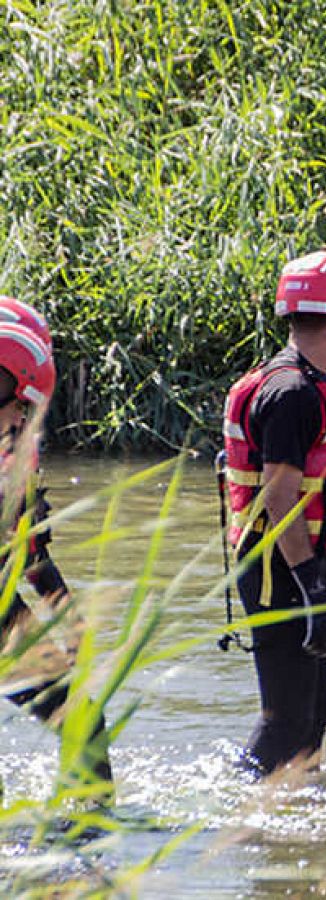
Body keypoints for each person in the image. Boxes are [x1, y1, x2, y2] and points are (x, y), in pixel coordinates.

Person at [219, 254, 326, 775]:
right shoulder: (293, 393)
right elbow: (279, 496)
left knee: (314, 715)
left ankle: (297, 809)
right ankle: (239, 807)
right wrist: (313, 588)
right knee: (285, 717)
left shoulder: (310, 382)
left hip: (303, 564)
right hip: (280, 569)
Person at [0, 302, 114, 793]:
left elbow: (32, 554)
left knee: (81, 717)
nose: (21, 418)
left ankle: (87, 820)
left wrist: (71, 621)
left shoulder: (15, 453)